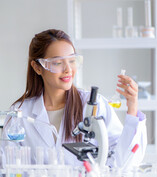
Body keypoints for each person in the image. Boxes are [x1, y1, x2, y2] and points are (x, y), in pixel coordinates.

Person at [0, 29, 147, 168]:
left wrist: (132, 107)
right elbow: (8, 168)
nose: (68, 69)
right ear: (38, 67)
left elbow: (123, 162)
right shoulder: (20, 113)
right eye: (58, 62)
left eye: (72, 60)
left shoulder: (94, 105)